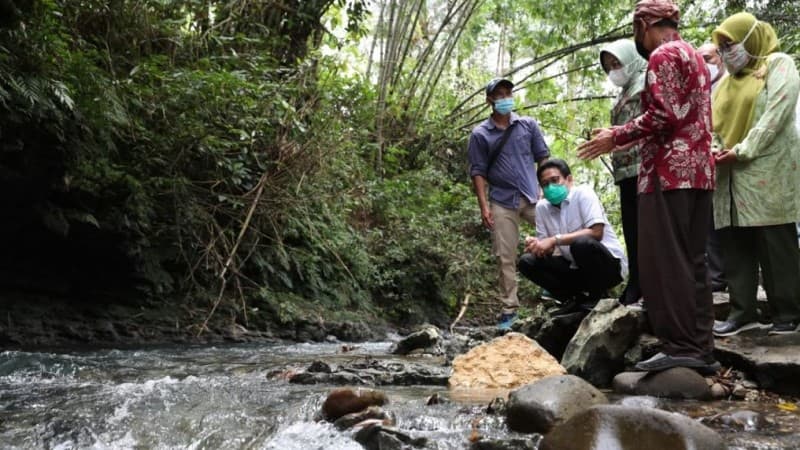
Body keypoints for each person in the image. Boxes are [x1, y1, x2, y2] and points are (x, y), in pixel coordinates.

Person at [577, 0, 719, 373]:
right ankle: (701, 346)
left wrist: (616, 136)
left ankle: (681, 346)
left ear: (644, 26)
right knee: (694, 259)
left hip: (668, 174)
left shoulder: (662, 55)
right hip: (699, 172)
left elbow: (662, 116)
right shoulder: (694, 56)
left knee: (666, 262)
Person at [709, 13, 800, 336]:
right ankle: (742, 310)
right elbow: (714, 127)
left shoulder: (778, 64)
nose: (725, 51)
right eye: (721, 46)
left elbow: (777, 114)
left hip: (767, 169)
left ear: (750, 38)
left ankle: (787, 311)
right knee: (735, 244)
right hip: (730, 175)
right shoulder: (722, 86)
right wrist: (716, 149)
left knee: (775, 241)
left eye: (729, 43)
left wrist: (743, 149)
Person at [467, 78, 550, 330]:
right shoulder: (480, 134)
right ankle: (509, 309)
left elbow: (543, 158)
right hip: (502, 201)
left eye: (508, 93)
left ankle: (557, 290)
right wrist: (484, 206)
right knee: (505, 256)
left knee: (557, 237)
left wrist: (548, 191)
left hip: (532, 196)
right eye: (499, 94)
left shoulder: (528, 125)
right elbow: (478, 172)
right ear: (489, 100)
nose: (505, 98)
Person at [517, 159, 627, 313]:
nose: (550, 187)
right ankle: (573, 299)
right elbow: (546, 249)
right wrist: (536, 245)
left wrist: (555, 240)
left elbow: (596, 232)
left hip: (608, 267)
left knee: (581, 244)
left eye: (555, 180)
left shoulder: (583, 194)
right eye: (545, 184)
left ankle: (597, 296)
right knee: (527, 262)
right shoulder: (542, 208)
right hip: (576, 268)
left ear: (569, 179)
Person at [598, 39, 647, 306]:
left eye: (617, 63)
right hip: (626, 172)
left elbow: (653, 122)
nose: (614, 70)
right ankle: (636, 283)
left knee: (647, 232)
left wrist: (616, 138)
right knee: (632, 231)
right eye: (608, 67)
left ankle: (648, 285)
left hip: (646, 169)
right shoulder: (623, 93)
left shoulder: (647, 82)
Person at [697, 42, 728, 292]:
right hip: (706, 163)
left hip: (734, 159)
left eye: (707, 57)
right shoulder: (699, 91)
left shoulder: (731, 84)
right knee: (709, 220)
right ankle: (717, 277)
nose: (704, 64)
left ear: (721, 57)